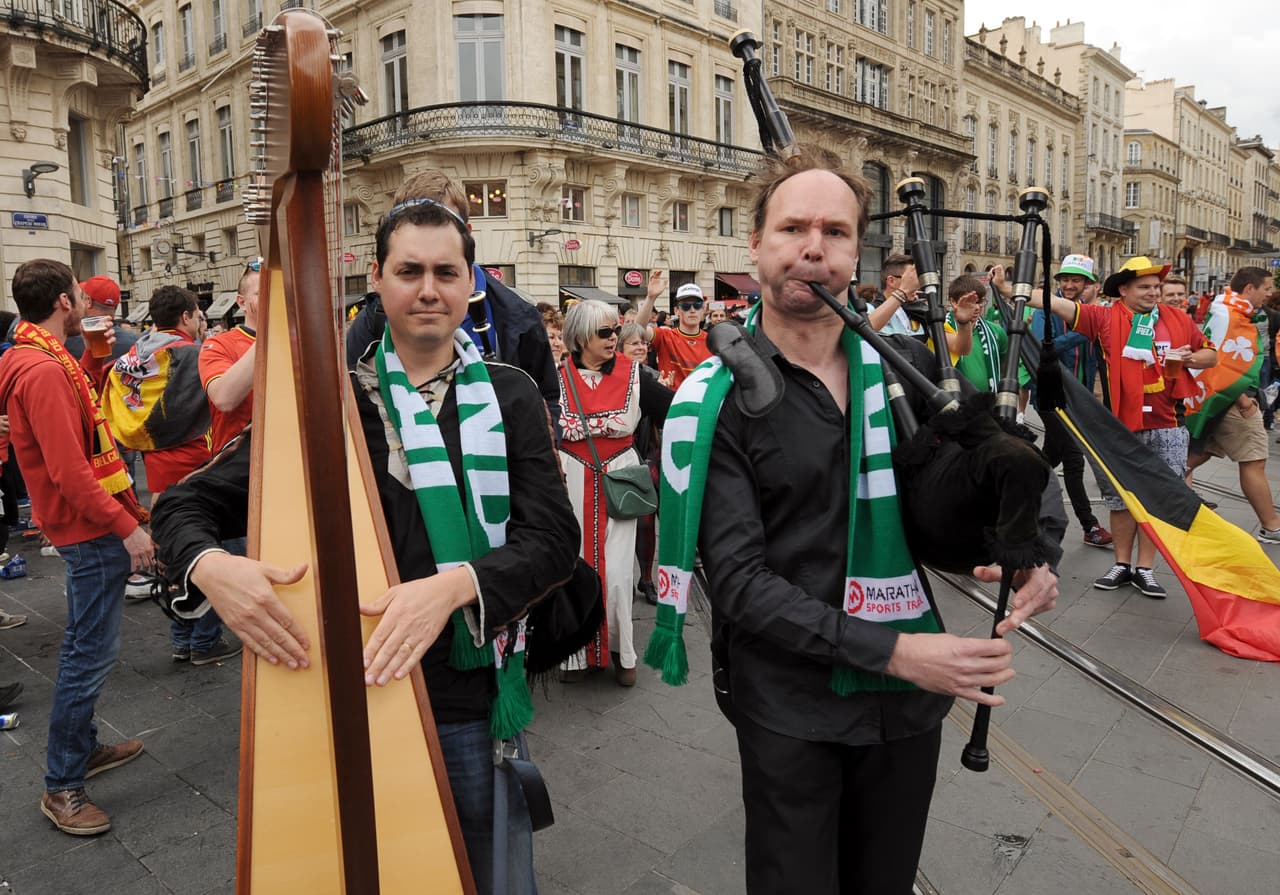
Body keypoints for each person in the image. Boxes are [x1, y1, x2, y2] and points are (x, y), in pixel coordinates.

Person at [151, 198, 578, 893]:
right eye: (410, 270)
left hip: (471, 700)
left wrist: (453, 586)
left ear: (473, 283)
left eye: (447, 271)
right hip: (349, 693)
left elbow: (555, 538)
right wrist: (213, 566)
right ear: (376, 279)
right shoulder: (330, 403)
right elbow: (181, 503)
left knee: (495, 878)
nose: (430, 288)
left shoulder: (510, 395)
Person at [685, 148, 1057, 892]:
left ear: (858, 253)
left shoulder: (903, 366)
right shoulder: (716, 397)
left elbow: (981, 470)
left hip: (906, 714)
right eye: (792, 227)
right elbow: (739, 582)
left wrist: (1028, 549)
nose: (813, 246)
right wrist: (898, 653)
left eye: (834, 230)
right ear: (756, 245)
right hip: (792, 706)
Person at [0, 259, 153, 835]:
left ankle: (83, 750)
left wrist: (90, 361)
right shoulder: (40, 369)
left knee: (88, 647)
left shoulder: (43, 356)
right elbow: (69, 468)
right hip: (85, 528)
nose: (88, 300)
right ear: (65, 302)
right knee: (88, 655)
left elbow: (74, 415)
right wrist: (127, 527)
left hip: (78, 522)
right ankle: (62, 784)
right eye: (80, 292)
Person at [1030, 256, 1216, 598]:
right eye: (1145, 287)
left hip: (1169, 424)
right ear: (1124, 290)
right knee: (1119, 498)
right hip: (1118, 424)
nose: (1153, 293)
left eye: (1156, 287)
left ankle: (1146, 568)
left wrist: (1189, 358)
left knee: (1157, 498)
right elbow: (1056, 304)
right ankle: (1122, 563)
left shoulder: (1177, 318)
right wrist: (1011, 289)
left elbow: (1211, 355)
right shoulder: (1104, 317)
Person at [344, 171, 559, 429]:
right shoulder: (372, 320)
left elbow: (544, 399)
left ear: (465, 233)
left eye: (441, 222)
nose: (428, 292)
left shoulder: (518, 314)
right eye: (412, 222)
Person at [100, 285, 238, 665]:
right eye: (198, 314)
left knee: (173, 553)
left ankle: (181, 638)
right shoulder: (192, 355)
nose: (201, 321)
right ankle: (206, 641)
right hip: (194, 462)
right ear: (186, 317)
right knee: (205, 550)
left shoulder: (133, 355)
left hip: (156, 466)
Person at [558, 302, 672, 685]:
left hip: (618, 481)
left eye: (615, 330)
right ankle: (575, 655)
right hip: (572, 479)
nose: (614, 339)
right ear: (580, 336)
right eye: (604, 332)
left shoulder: (634, 373)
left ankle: (622, 654)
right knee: (574, 567)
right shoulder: (554, 377)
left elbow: (676, 409)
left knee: (619, 573)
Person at [1184, 267, 1280, 542]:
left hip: (1218, 400)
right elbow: (1222, 363)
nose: (1269, 293)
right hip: (1233, 400)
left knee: (1200, 453)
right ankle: (1272, 526)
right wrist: (1242, 399)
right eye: (1266, 288)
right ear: (1250, 288)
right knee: (1254, 460)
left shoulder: (1225, 308)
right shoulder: (1233, 316)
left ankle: (1153, 491)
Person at [1024, 255, 1112, 548]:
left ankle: (1013, 489)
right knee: (1074, 458)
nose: (1070, 285)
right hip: (1049, 395)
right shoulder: (1046, 308)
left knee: (1050, 456)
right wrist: (1082, 332)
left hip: (1078, 395)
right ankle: (1090, 525)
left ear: (1087, 284)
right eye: (1065, 279)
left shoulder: (1091, 312)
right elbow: (1041, 348)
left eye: (1076, 280)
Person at [617, 322, 672, 605]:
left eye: (642, 343)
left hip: (650, 455)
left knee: (649, 520)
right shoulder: (616, 378)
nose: (640, 347)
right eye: (633, 344)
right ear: (620, 349)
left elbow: (667, 415)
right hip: (624, 459)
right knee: (632, 522)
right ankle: (632, 578)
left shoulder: (650, 376)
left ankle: (648, 578)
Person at [200, 262, 260, 453]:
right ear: (242, 302)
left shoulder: (297, 342)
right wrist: (270, 331)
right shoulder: (219, 345)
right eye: (262, 293)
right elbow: (224, 398)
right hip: (236, 464)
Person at [634, 274, 712, 388]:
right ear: (676, 311)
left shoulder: (712, 341)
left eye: (697, 305)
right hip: (671, 402)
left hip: (702, 403)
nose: (692, 310)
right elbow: (638, 329)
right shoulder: (665, 336)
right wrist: (651, 298)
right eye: (686, 306)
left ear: (702, 310)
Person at [62, 275, 137, 363]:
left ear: (88, 301)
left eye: (81, 297)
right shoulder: (133, 342)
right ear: (116, 306)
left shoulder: (67, 340)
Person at [867, 253, 926, 336]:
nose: (916, 285)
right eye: (910, 279)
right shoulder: (871, 309)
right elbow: (867, 328)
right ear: (891, 281)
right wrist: (903, 291)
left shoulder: (914, 311)